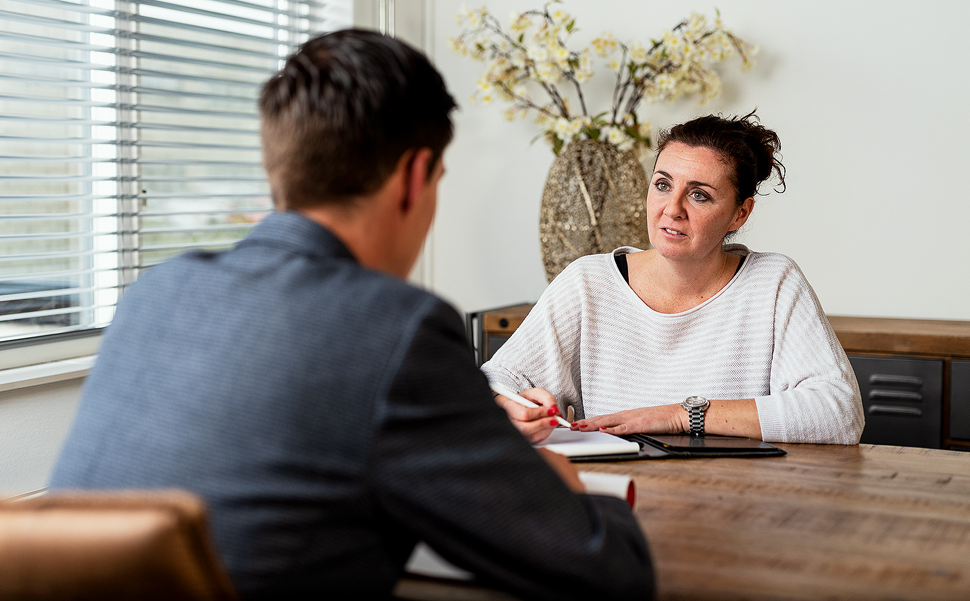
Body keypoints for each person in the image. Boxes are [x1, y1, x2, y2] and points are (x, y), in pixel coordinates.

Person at [49, 30, 654, 600]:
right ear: (414, 177)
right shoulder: (397, 328)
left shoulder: (156, 291)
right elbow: (610, 571)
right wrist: (569, 490)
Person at [483, 113, 865, 446]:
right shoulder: (588, 283)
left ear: (740, 214)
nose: (672, 209)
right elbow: (496, 379)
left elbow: (840, 412)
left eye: (699, 195)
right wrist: (511, 407)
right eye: (663, 185)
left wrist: (680, 415)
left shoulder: (774, 284)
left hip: (734, 497)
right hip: (616, 494)